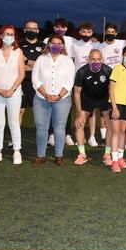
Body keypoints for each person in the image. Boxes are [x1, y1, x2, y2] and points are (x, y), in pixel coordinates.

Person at [32, 35, 75, 166]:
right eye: (53, 43)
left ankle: (59, 156)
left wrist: (58, 96)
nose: (56, 45)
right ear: (48, 44)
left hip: (62, 99)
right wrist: (46, 94)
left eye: (59, 43)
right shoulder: (41, 59)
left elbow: (70, 81)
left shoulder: (67, 60)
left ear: (62, 46)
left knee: (59, 128)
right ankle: (41, 156)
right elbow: (35, 79)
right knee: (41, 128)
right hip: (41, 99)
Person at [0, 25, 25, 165]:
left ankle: (17, 151)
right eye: (6, 34)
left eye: (12, 34)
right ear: (1, 36)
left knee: (14, 122)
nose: (9, 36)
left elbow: (21, 74)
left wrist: (12, 90)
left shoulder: (18, 52)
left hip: (14, 93)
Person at [73, 49, 112, 166]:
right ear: (88, 59)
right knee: (79, 123)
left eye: (98, 59)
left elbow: (112, 90)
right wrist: (79, 113)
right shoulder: (81, 72)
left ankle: (107, 154)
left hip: (103, 99)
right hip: (87, 99)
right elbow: (76, 93)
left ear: (102, 60)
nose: (95, 61)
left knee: (110, 124)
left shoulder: (108, 71)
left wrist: (113, 107)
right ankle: (82, 154)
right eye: (93, 59)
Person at [44, 17, 75, 147]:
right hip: (51, 79)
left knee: (66, 108)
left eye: (63, 27)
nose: (60, 29)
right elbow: (44, 59)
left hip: (65, 79)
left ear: (66, 28)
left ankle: (67, 134)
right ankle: (51, 135)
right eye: (57, 27)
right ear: (54, 28)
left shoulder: (71, 41)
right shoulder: (46, 40)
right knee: (51, 108)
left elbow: (72, 59)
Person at [71, 22, 102, 147]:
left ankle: (92, 136)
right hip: (79, 82)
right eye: (84, 32)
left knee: (93, 111)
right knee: (79, 110)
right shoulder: (74, 45)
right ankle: (80, 134)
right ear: (80, 32)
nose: (86, 34)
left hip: (93, 83)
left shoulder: (97, 44)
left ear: (92, 32)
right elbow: (71, 61)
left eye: (89, 32)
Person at [19, 20, 45, 125]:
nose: (31, 30)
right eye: (29, 28)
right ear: (25, 30)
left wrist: (26, 61)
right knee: (20, 111)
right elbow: (18, 67)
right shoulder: (18, 46)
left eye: (34, 29)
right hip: (21, 83)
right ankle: (15, 139)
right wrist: (37, 66)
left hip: (39, 84)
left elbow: (44, 67)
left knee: (39, 112)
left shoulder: (44, 47)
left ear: (38, 31)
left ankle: (42, 138)